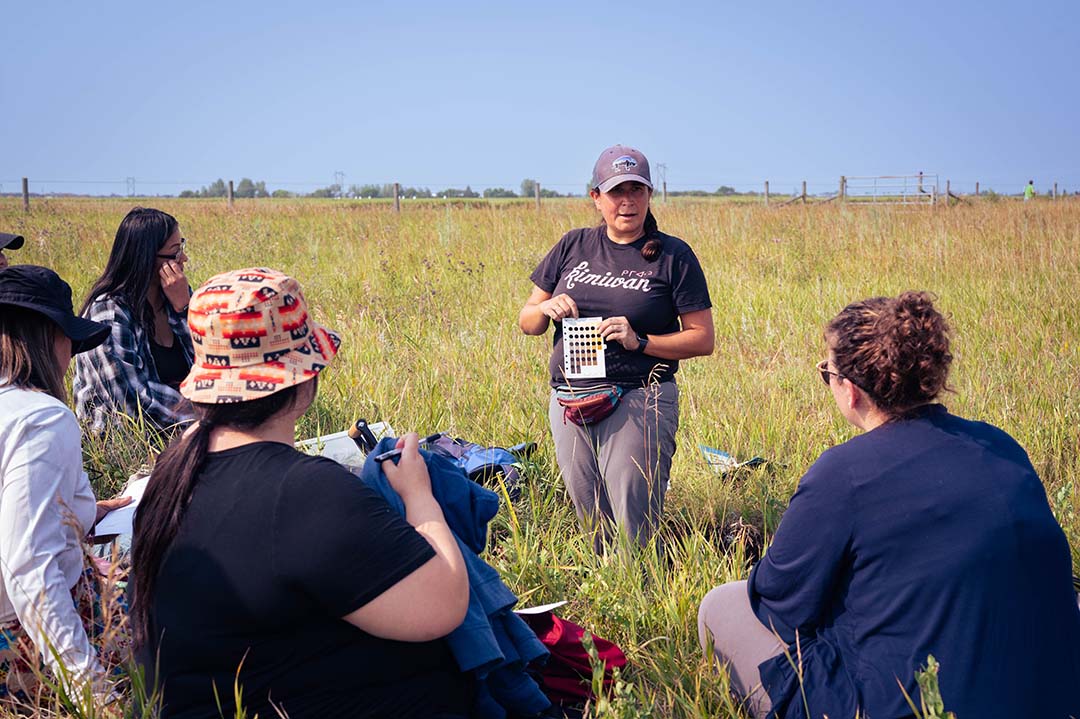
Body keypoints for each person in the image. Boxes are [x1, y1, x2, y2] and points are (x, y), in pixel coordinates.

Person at [698, 291, 1080, 719]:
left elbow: (775, 601)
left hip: (911, 704)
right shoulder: (1000, 444)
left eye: (827, 373)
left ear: (851, 390)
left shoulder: (843, 473)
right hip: (1051, 693)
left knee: (722, 605)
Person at [131, 268, 470, 718]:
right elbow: (443, 606)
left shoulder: (173, 470)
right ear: (303, 379)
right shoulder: (305, 491)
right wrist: (419, 496)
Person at [518, 145, 714, 550]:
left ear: (649, 195)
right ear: (596, 197)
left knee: (632, 518)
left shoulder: (673, 256)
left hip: (638, 396)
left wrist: (638, 340)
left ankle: (640, 581)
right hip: (570, 398)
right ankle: (604, 583)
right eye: (616, 191)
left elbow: (702, 338)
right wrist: (545, 308)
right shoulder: (574, 245)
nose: (627, 201)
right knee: (590, 515)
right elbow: (528, 321)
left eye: (636, 190)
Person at [0, 265, 133, 698]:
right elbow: (29, 565)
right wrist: (90, 689)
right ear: (48, 337)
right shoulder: (40, 419)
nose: (71, 356)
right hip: (24, 639)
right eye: (69, 341)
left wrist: (86, 511)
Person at [73, 207, 195, 433]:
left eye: (182, 248)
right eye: (175, 252)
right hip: (129, 437)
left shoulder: (177, 295)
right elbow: (131, 399)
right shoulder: (109, 312)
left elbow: (210, 363)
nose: (183, 259)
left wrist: (186, 309)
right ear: (146, 258)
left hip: (188, 424)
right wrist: (203, 420)